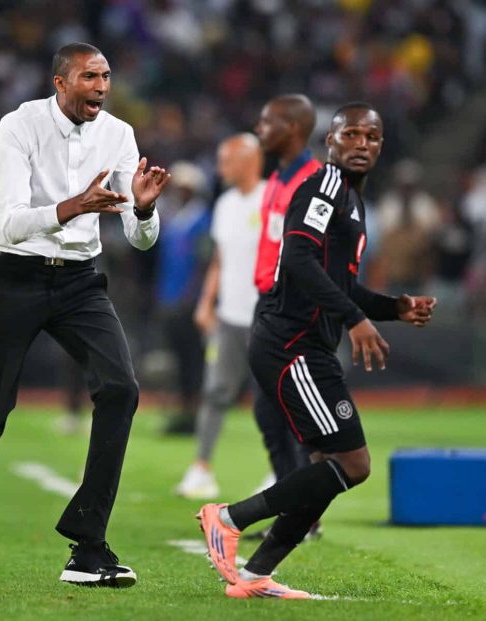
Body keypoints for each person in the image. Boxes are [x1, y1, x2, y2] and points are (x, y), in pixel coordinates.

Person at [0, 42, 170, 588]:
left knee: (121, 389)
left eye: (106, 76)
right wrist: (72, 207)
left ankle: (88, 545)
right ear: (60, 83)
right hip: (15, 278)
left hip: (80, 280)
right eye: (90, 77)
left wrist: (145, 208)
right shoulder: (18, 127)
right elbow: (6, 224)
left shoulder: (118, 134)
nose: (102, 87)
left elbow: (139, 238)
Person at [198, 102, 437, 599]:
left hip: (305, 345)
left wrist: (393, 307)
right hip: (292, 345)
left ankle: (255, 575)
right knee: (353, 464)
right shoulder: (325, 186)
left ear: (381, 146)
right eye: (351, 134)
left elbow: (340, 284)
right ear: (330, 140)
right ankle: (229, 518)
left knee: (328, 467)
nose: (361, 144)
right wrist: (355, 321)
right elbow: (299, 258)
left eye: (371, 137)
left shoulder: (352, 200)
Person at [175, 134, 264, 499]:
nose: (220, 168)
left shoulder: (273, 199)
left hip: (267, 319)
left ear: (249, 160)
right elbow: (219, 259)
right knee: (215, 391)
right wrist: (206, 302)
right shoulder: (225, 204)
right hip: (229, 317)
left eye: (227, 160)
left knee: (273, 399)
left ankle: (282, 470)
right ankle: (201, 468)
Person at [250, 94, 323, 495]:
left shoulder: (314, 183)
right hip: (267, 303)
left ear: (293, 128)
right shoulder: (277, 178)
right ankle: (290, 498)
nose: (259, 129)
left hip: (295, 307)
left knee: (294, 411)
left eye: (267, 122)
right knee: (267, 410)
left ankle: (304, 507)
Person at [153, 161, 211, 437]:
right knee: (175, 359)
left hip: (188, 301)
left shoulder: (201, 219)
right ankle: (181, 411)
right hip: (169, 298)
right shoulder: (174, 218)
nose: (177, 191)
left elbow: (203, 263)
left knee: (192, 358)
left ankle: (193, 413)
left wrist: (191, 297)